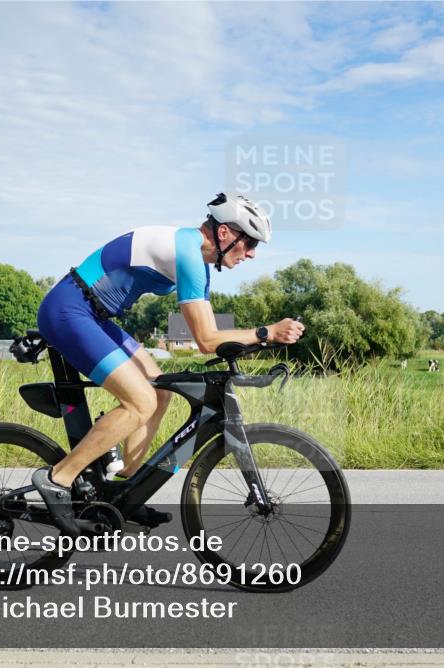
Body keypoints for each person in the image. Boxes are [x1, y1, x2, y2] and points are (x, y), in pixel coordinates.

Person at [31, 193, 305, 535]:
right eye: (249, 242)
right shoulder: (188, 253)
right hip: (69, 310)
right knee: (140, 400)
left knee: (159, 389)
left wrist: (259, 338)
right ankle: (59, 477)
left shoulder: (198, 262)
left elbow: (212, 336)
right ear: (224, 234)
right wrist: (267, 332)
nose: (251, 253)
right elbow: (206, 339)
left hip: (93, 315)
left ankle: (123, 491)